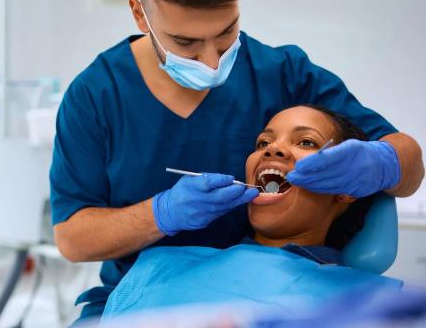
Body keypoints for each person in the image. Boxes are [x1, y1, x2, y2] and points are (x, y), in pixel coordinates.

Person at [49, 0, 424, 323]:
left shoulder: (282, 74)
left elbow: (409, 163)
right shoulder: (97, 95)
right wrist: (161, 213)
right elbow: (72, 238)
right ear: (141, 15)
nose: (211, 62)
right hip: (146, 297)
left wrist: (381, 162)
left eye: (226, 33)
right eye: (187, 42)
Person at [101, 105, 402, 320]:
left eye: (306, 142)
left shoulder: (376, 305)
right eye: (264, 143)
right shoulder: (159, 266)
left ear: (346, 186)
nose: (272, 150)